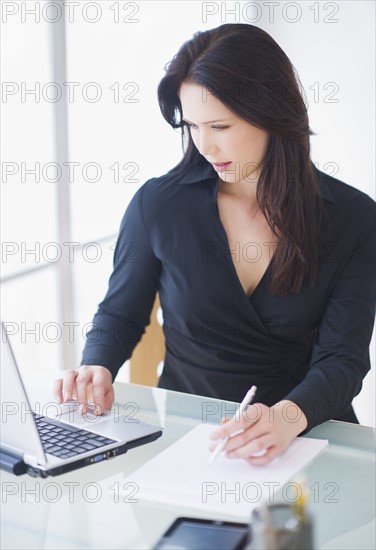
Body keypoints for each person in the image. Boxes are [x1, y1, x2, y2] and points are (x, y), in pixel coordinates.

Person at [54, 23, 376, 465]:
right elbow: (120, 314)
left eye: (220, 126)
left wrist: (286, 417)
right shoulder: (159, 205)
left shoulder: (354, 218)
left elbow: (343, 358)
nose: (205, 145)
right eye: (193, 126)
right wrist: (98, 364)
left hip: (308, 433)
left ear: (271, 113)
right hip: (190, 438)